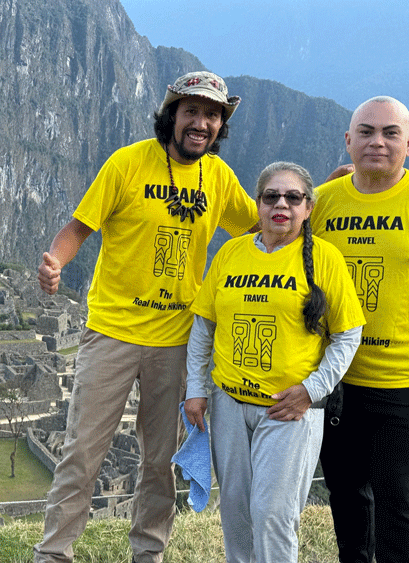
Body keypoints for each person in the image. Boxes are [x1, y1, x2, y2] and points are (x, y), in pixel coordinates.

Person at [33, 71, 260, 563]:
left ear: (221, 126)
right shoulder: (128, 164)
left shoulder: (218, 179)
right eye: (192, 112)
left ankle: (148, 553)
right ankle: (53, 553)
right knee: (81, 453)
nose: (202, 123)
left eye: (212, 115)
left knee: (160, 460)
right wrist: (55, 263)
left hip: (177, 341)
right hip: (112, 332)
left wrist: (322, 197)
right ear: (172, 116)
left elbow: (265, 223)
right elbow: (77, 228)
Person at [184, 161, 365, 563]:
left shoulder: (325, 260)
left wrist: (312, 390)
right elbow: (204, 326)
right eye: (271, 196)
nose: (281, 204)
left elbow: (348, 334)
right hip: (229, 403)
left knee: (273, 516)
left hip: (288, 409)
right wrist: (196, 390)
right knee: (235, 515)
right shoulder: (231, 253)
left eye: (293, 197)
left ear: (308, 207)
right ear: (258, 203)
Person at [312, 96, 409, 563]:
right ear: (348, 141)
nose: (378, 142)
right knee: (346, 496)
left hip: (399, 382)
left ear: (407, 143)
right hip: (337, 381)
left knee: (399, 503)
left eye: (391, 133)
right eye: (366, 132)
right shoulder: (323, 204)